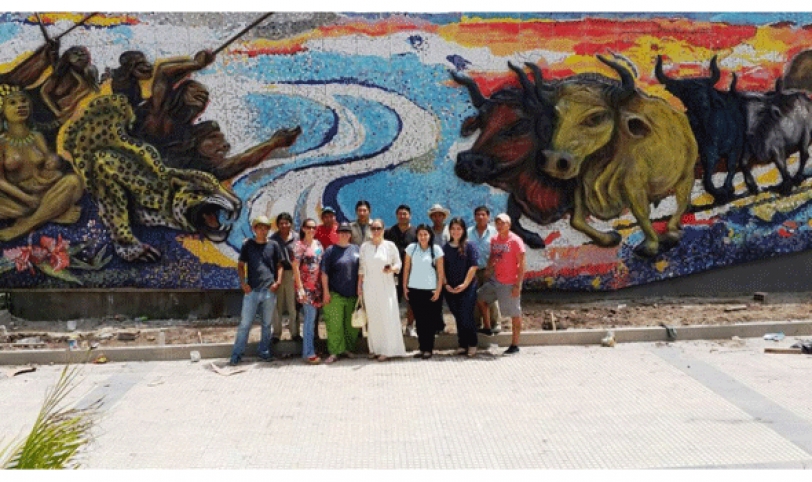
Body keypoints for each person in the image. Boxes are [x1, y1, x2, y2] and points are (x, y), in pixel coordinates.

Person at [0, 84, 84, 242]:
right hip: (16, 199)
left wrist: (53, 161)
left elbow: (51, 161)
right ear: (2, 110)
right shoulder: (1, 142)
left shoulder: (37, 136)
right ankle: (53, 213)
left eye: (24, 101)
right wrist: (26, 198)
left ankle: (26, 225)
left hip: (43, 191)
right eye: (13, 103)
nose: (21, 105)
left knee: (74, 181)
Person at [229, 215, 284, 366]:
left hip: (269, 291)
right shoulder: (248, 245)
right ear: (254, 229)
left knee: (267, 324)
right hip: (251, 291)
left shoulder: (273, 245)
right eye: (259, 227)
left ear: (268, 229)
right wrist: (243, 283)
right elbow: (240, 265)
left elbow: (279, 265)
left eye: (265, 227)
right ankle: (236, 355)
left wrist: (278, 282)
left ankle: (264, 351)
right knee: (245, 324)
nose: (262, 230)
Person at [476, 213, 526, 355]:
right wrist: (489, 267)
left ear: (508, 225)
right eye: (497, 223)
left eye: (502, 223)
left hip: (509, 283)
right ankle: (487, 327)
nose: (499, 225)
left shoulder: (516, 241)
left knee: (514, 314)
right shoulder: (495, 239)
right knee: (480, 297)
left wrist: (518, 285)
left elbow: (522, 264)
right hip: (495, 280)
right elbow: (493, 254)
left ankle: (515, 344)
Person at [359, 218, 405, 361]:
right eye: (373, 228)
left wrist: (392, 269)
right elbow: (361, 268)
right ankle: (375, 348)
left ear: (383, 230)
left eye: (379, 228)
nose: (376, 231)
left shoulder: (390, 246)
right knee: (373, 317)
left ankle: (388, 349)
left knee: (387, 316)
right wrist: (359, 287)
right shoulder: (365, 247)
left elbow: (398, 263)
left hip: (386, 285)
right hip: (369, 286)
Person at [320, 222, 361, 364]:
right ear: (337, 234)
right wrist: (325, 292)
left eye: (347, 232)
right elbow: (324, 273)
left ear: (350, 234)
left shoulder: (356, 249)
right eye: (341, 231)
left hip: (353, 294)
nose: (344, 234)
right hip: (335, 293)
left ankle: (347, 349)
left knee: (351, 326)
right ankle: (334, 352)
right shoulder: (331, 251)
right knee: (334, 325)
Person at [403, 224, 445, 359]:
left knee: (430, 321)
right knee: (420, 321)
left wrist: (438, 289)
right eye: (420, 234)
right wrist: (405, 286)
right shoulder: (411, 249)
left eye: (425, 234)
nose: (423, 237)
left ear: (430, 235)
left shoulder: (436, 249)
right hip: (415, 289)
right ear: (417, 235)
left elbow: (440, 271)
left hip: (431, 290)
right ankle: (422, 348)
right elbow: (406, 269)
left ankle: (429, 349)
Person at [443, 218, 479, 357]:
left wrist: (464, 285)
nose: (456, 231)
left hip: (467, 288)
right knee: (458, 316)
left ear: (463, 230)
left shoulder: (470, 246)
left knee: (466, 315)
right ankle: (462, 344)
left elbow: (473, 266)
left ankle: (472, 343)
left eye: (459, 229)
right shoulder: (445, 247)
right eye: (453, 229)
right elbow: (442, 268)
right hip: (450, 288)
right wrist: (446, 284)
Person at [292, 218, 324, 365]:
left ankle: (311, 349)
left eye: (313, 227)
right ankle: (308, 353)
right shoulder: (299, 245)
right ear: (303, 229)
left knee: (313, 320)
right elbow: (295, 268)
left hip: (317, 288)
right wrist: (300, 289)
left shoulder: (318, 245)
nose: (311, 230)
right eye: (308, 227)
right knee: (309, 320)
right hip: (306, 289)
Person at [384, 204, 417, 337]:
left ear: (410, 216)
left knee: (412, 301)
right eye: (400, 214)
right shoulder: (389, 232)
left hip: (412, 272)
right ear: (397, 215)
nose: (402, 216)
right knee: (393, 300)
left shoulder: (415, 232)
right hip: (394, 273)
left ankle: (410, 326)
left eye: (405, 214)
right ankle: (395, 327)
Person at [468, 206, 502, 333]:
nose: (480, 217)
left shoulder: (495, 233)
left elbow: (499, 252)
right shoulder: (469, 232)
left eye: (483, 214)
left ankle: (495, 324)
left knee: (491, 297)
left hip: (491, 270)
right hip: (473, 271)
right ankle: (477, 324)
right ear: (474, 217)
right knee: (474, 297)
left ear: (488, 217)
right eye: (478, 215)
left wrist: (493, 268)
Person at [270, 212, 300, 343]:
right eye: (281, 223)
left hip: (293, 273)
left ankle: (295, 333)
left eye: (286, 223)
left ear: (291, 224)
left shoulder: (297, 237)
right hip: (278, 274)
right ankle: (276, 334)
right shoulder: (273, 239)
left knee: (293, 306)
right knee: (277, 306)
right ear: (277, 225)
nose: (284, 225)